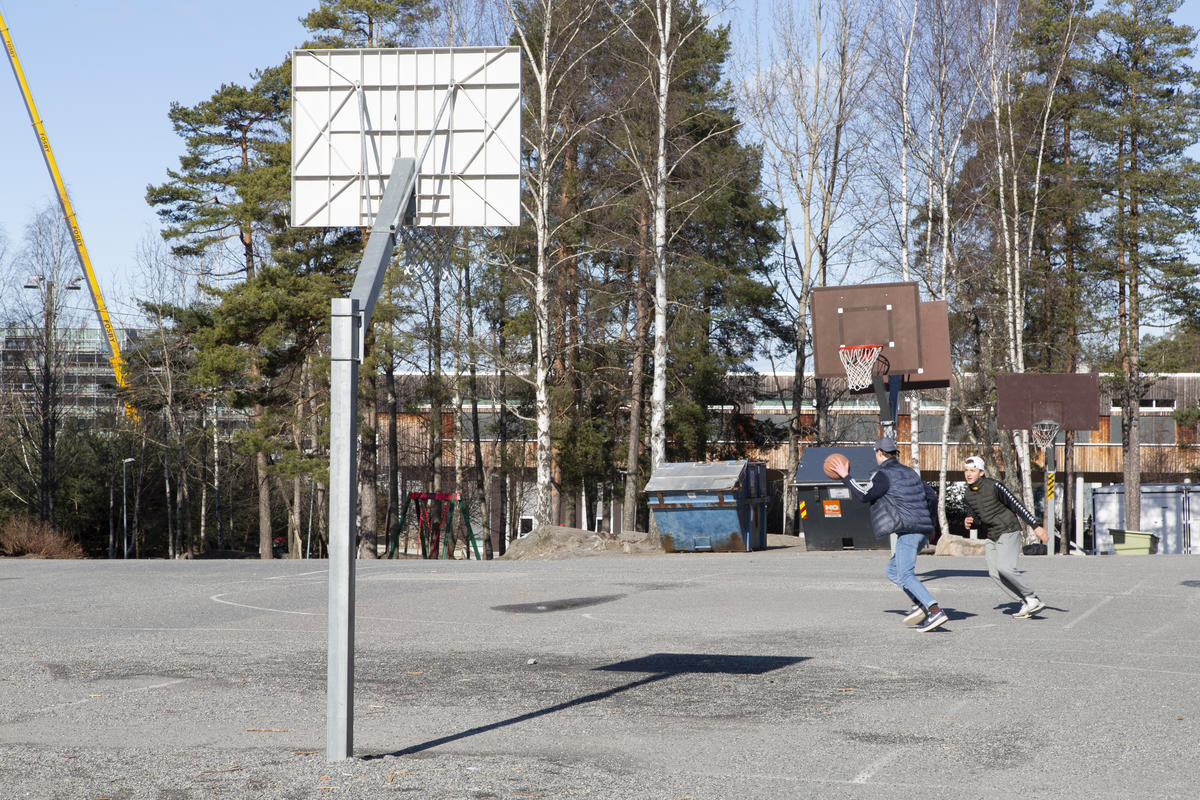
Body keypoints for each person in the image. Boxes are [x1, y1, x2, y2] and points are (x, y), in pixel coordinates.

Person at [830, 436, 947, 632]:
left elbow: (864, 495)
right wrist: (932, 524)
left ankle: (934, 610)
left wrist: (845, 476)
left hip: (909, 531)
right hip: (921, 530)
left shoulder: (882, 474)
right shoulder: (909, 472)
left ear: (879, 453)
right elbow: (931, 496)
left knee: (906, 574)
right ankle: (920, 603)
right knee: (892, 570)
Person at [961, 455, 1049, 619]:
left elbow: (1017, 505)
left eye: (972, 470)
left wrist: (1035, 526)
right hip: (992, 535)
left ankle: (1032, 597)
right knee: (994, 573)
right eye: (966, 470)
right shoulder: (967, 494)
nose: (968, 474)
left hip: (1008, 530)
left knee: (1005, 568)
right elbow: (977, 519)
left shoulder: (995, 486)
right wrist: (970, 522)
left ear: (981, 472)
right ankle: (1026, 601)